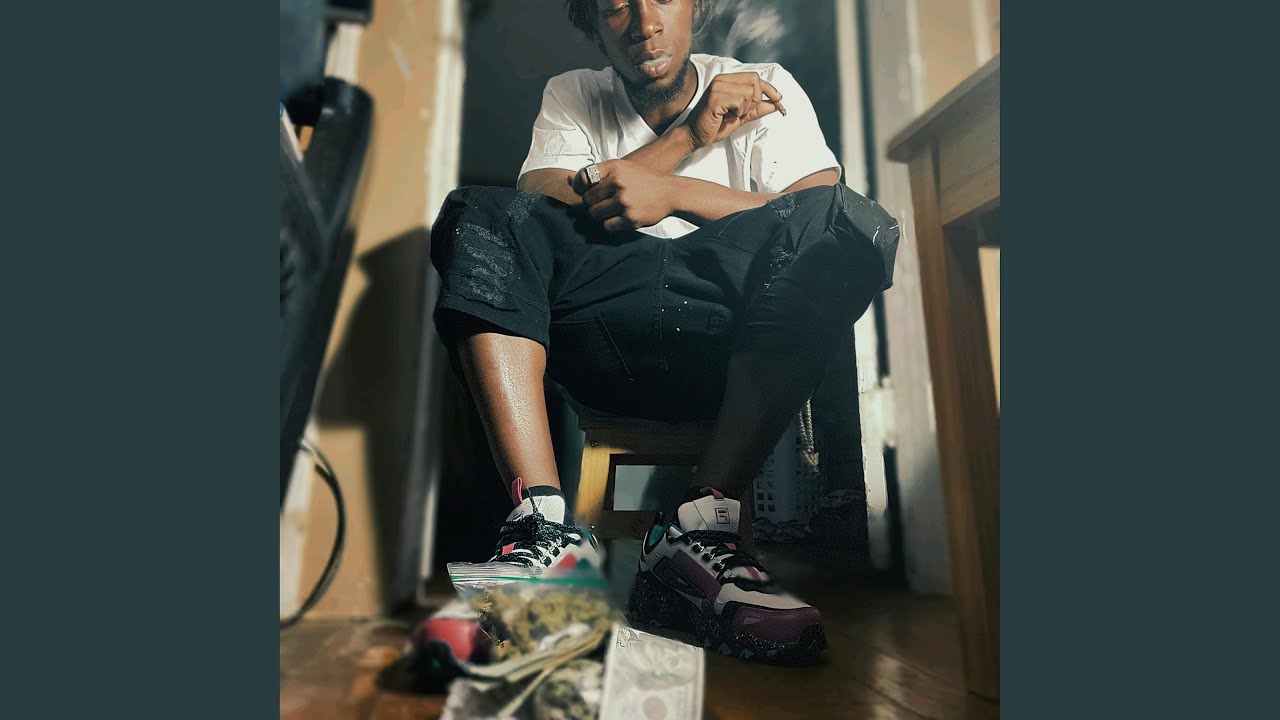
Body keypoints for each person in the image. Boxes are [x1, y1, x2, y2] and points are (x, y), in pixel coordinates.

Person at [429, 0, 899, 665]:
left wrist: (674, 195)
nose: (644, 21)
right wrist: (691, 135)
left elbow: (820, 212)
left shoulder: (763, 83)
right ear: (594, 22)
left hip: (728, 350)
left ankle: (699, 532)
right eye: (617, 6)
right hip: (599, 338)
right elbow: (536, 200)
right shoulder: (574, 93)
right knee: (481, 213)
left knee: (847, 224)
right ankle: (542, 531)